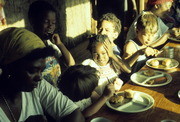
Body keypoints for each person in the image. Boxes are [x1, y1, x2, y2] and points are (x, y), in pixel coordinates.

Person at [0, 27, 84, 122]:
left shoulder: (38, 86)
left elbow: (75, 114)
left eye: (41, 70)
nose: (40, 77)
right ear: (8, 67)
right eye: (32, 70)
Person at [28, 0, 75, 87]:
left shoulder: (51, 44)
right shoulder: (29, 47)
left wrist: (60, 44)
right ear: (33, 21)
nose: (50, 26)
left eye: (53, 23)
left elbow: (71, 63)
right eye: (46, 22)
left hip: (57, 91)